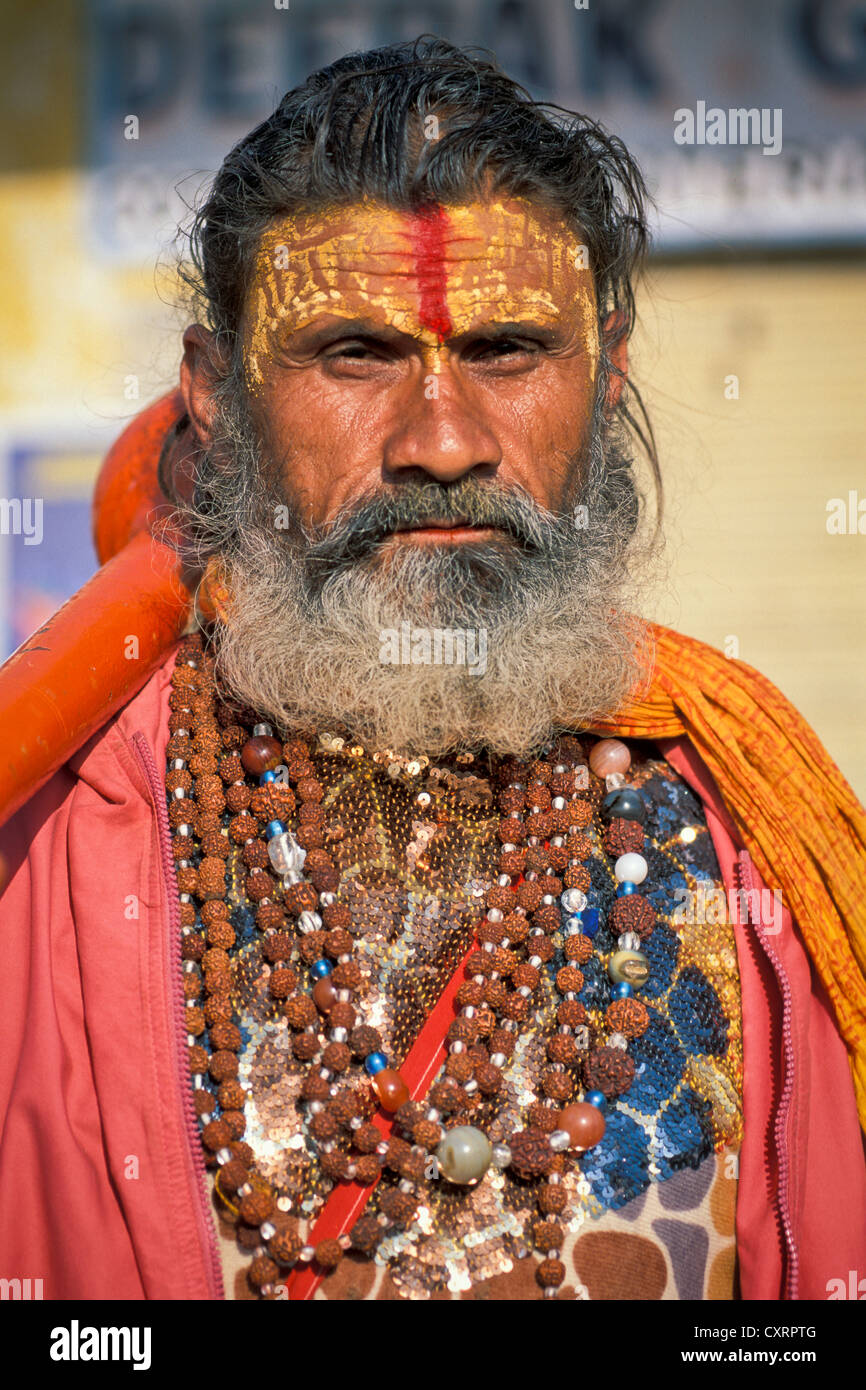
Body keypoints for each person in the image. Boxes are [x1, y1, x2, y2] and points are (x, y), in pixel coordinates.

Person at [1, 37, 864, 1303]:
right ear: (217, 398)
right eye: (353, 354)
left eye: (508, 351)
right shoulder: (55, 846)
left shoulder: (747, 829)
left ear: (605, 373)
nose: (442, 443)